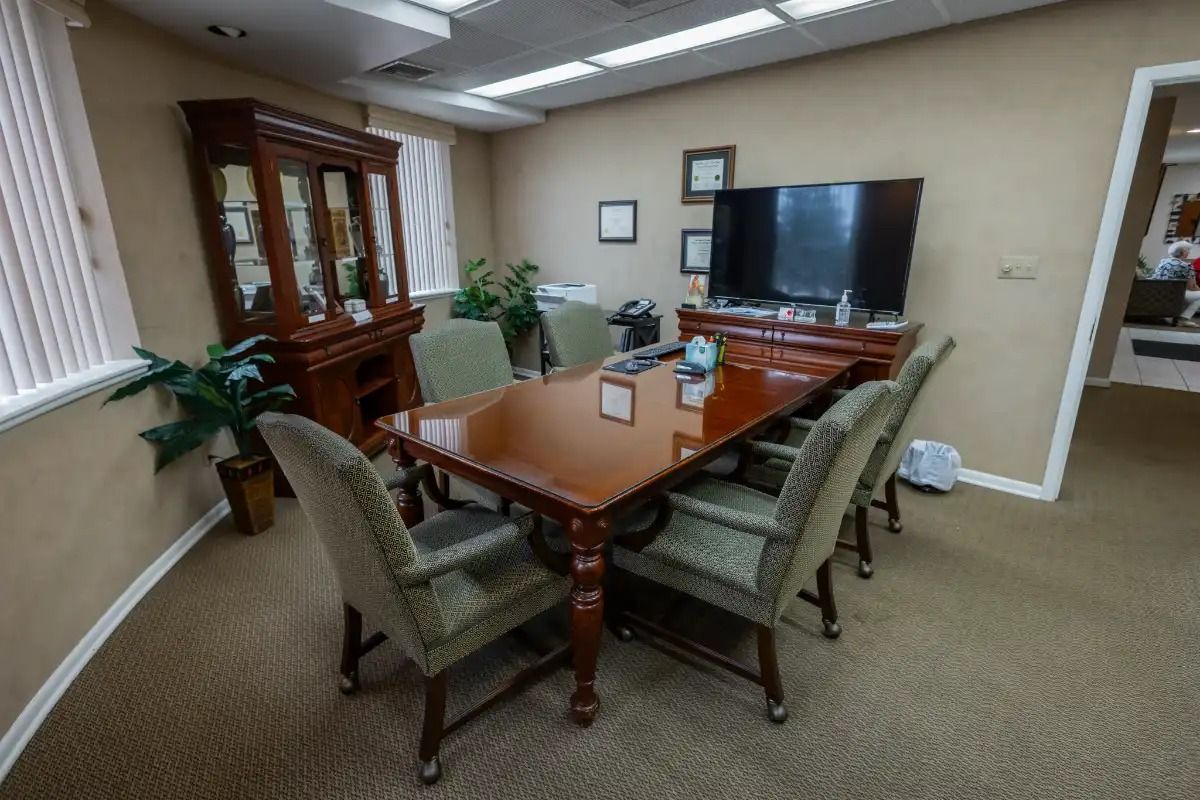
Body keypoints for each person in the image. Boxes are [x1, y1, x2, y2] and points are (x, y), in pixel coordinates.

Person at [1152, 240, 1200, 326]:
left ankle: (1173, 315)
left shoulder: (1163, 261)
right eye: (1187, 250)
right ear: (1182, 252)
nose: (1188, 252)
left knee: (1187, 293)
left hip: (1158, 291)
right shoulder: (1186, 266)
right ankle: (1184, 319)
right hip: (1174, 295)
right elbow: (1192, 287)